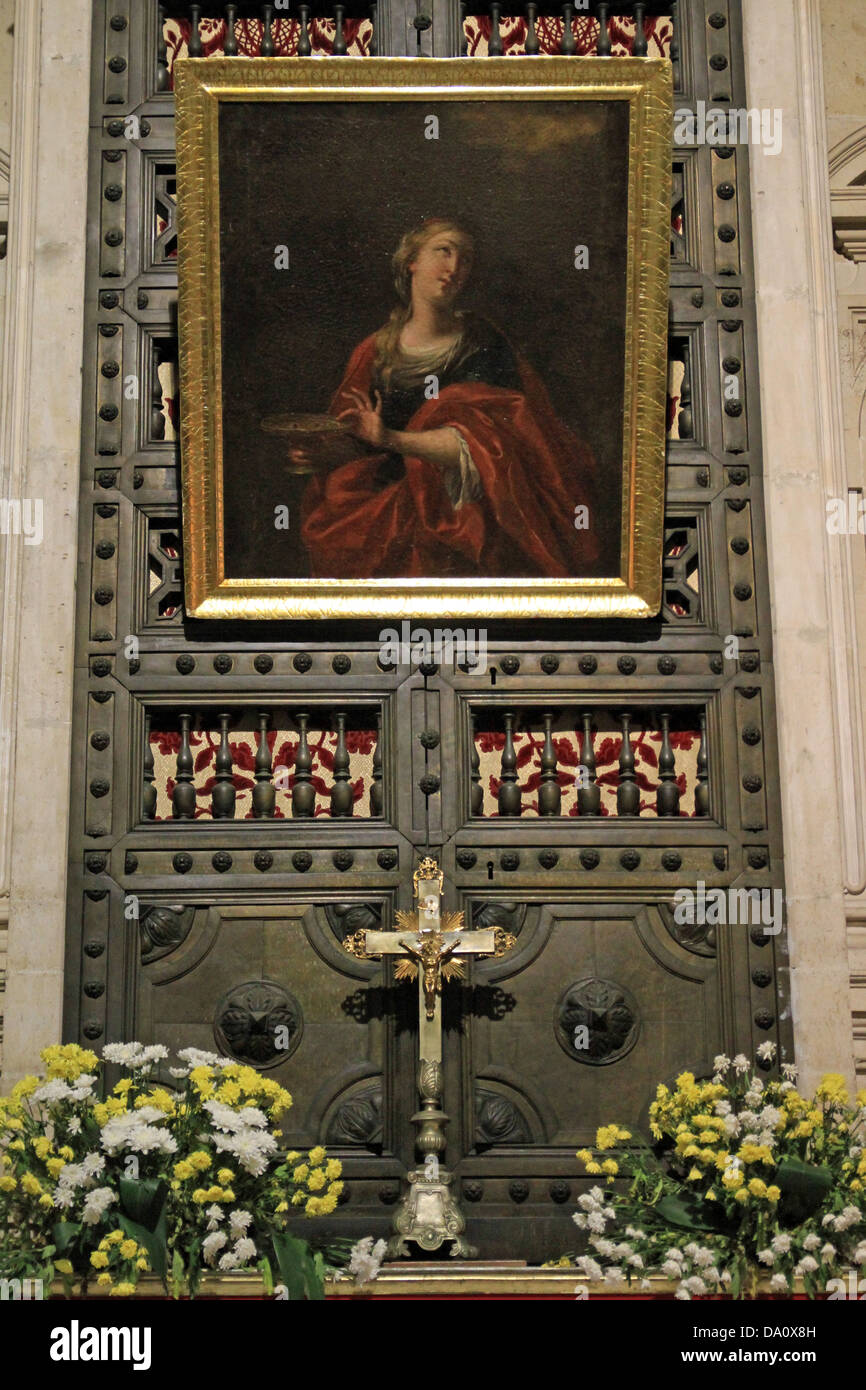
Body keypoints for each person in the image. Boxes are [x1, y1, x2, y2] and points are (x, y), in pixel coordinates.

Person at [298, 217, 601, 579]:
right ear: (411, 260)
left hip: (465, 514)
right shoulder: (374, 351)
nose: (454, 268)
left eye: (466, 259)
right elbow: (360, 445)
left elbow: (489, 444)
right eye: (444, 251)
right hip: (383, 511)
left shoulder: (482, 343)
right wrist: (324, 454)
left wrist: (390, 438)